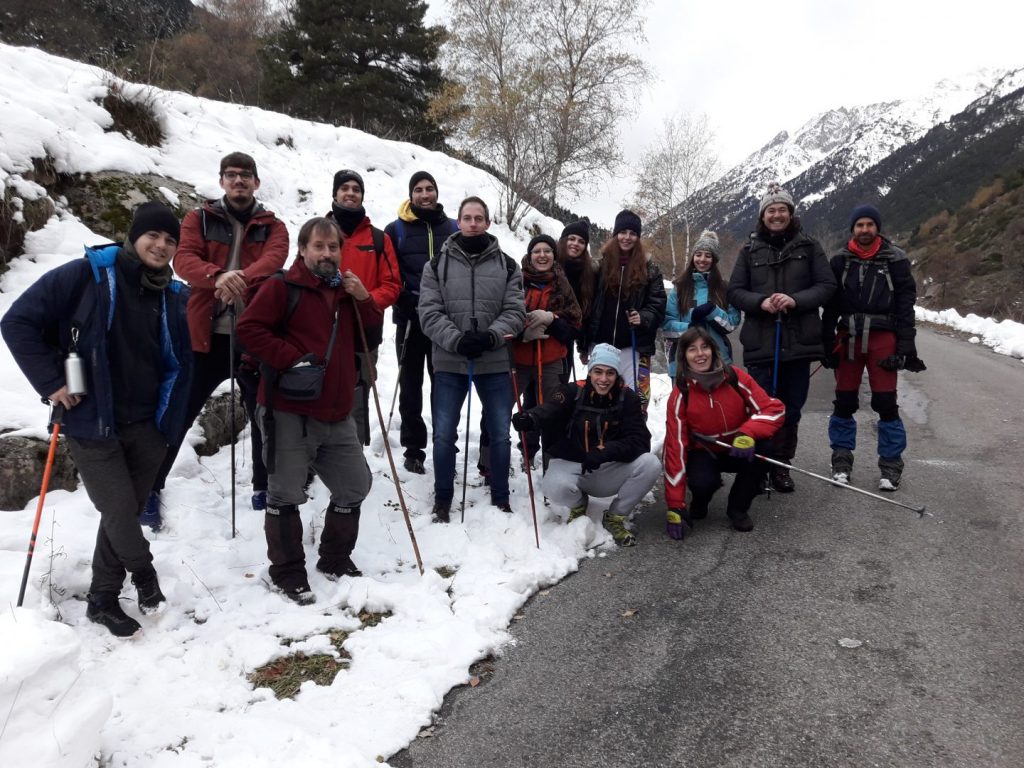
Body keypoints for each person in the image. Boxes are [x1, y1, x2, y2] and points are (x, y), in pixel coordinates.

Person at [2, 202, 193, 636]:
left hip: (149, 423)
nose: (161, 246)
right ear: (134, 235)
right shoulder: (86, 274)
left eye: (170, 240)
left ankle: (103, 599)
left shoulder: (170, 292)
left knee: (119, 515)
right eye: (153, 236)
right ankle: (144, 575)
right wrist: (52, 382)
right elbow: (17, 322)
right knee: (120, 508)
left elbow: (176, 360)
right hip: (93, 419)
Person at [236, 217, 382, 604]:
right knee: (284, 492)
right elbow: (248, 330)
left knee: (354, 485)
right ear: (303, 250)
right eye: (319, 246)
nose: (327, 254)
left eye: (333, 247)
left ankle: (334, 558)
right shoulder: (281, 287)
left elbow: (373, 334)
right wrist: (293, 360)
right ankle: (286, 572)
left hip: (337, 411)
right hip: (289, 409)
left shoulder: (346, 292)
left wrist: (364, 298)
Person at [145, 152, 289, 528]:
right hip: (203, 335)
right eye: (231, 175)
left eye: (246, 175)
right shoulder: (199, 218)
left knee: (262, 414)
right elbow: (184, 260)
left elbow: (275, 259)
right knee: (178, 414)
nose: (238, 181)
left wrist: (236, 277)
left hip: (252, 334)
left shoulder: (273, 226)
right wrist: (216, 276)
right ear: (222, 180)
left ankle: (264, 484)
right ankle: (150, 487)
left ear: (256, 183)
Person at [418, 196, 525, 521]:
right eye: (467, 217)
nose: (473, 223)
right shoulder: (436, 265)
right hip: (450, 360)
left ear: (488, 223)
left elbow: (516, 310)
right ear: (459, 221)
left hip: (494, 361)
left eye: (479, 218)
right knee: (444, 433)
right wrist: (456, 339)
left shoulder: (508, 265)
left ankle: (501, 496)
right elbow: (429, 311)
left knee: (500, 432)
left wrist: (492, 336)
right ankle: (443, 498)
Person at [727, 183, 836, 492]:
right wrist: (759, 303)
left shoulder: (809, 247)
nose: (777, 215)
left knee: (791, 408)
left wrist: (796, 300)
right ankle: (759, 468)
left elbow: (827, 285)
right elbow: (735, 290)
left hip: (799, 343)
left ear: (791, 213)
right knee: (761, 407)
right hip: (762, 343)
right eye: (771, 210)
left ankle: (781, 468)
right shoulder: (749, 251)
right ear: (763, 216)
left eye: (782, 209)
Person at [512, 343, 662, 547]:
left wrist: (605, 453)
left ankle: (615, 517)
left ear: (617, 375)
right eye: (598, 371)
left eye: (610, 373)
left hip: (607, 467)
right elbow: (549, 410)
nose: (603, 379)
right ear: (590, 371)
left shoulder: (628, 398)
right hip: (573, 464)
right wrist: (530, 418)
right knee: (553, 487)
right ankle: (578, 504)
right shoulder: (571, 391)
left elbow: (640, 441)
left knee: (650, 463)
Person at [821, 204, 926, 491]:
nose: (865, 229)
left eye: (869, 224)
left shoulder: (896, 259)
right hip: (848, 337)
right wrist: (826, 340)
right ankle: (841, 460)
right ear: (852, 229)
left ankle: (891, 466)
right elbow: (830, 305)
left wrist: (906, 345)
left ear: (877, 227)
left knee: (885, 403)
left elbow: (906, 304)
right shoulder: (840, 260)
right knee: (844, 401)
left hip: (883, 337)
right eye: (860, 225)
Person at [663, 327, 784, 536]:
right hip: (703, 451)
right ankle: (700, 500)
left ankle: (738, 507)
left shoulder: (735, 377)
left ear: (713, 350)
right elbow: (675, 448)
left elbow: (773, 409)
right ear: (684, 357)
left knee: (765, 448)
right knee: (702, 482)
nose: (700, 354)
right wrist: (675, 505)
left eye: (704, 347)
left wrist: (747, 433)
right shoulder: (681, 393)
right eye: (692, 350)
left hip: (738, 446)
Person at [384, 171, 459, 474]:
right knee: (411, 386)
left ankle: (445, 443)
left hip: (443, 320)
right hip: (411, 318)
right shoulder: (396, 229)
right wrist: (402, 298)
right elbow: (389, 272)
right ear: (411, 194)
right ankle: (414, 449)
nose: (425, 195)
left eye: (430, 188)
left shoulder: (453, 228)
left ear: (437, 192)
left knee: (444, 386)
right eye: (418, 190)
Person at [327, 168, 401, 446]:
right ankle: (315, 455)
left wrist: (365, 298)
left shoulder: (379, 239)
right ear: (335, 193)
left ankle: (353, 454)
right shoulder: (319, 232)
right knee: (318, 386)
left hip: (364, 327)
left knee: (358, 390)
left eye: (356, 189)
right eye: (344, 188)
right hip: (322, 324)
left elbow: (392, 285)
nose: (350, 193)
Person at [584, 209, 666, 416]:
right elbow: (587, 304)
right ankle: (597, 439)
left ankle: (634, 440)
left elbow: (658, 304)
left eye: (632, 233)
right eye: (622, 232)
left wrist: (643, 316)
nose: (627, 237)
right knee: (598, 395)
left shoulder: (651, 269)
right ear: (615, 234)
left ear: (638, 237)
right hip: (601, 344)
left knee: (636, 400)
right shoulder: (600, 266)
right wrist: (584, 343)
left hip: (633, 345)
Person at [512, 234, 582, 468]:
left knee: (553, 410)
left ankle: (553, 465)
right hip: (519, 361)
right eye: (537, 251)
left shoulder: (563, 285)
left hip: (551, 360)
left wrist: (552, 319)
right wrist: (524, 328)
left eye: (547, 251)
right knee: (511, 409)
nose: (542, 255)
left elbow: (574, 326)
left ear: (554, 255)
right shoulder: (517, 281)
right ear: (530, 255)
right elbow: (505, 316)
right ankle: (519, 454)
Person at [662, 230, 741, 377]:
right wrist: (689, 327)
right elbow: (667, 325)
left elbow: (732, 322)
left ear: (714, 259)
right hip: (683, 363)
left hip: (718, 361)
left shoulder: (724, 288)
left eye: (708, 255)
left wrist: (713, 312)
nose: (702, 259)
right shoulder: (679, 288)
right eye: (698, 254)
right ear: (693, 257)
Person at [556, 219, 598, 381]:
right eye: (571, 239)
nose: (575, 244)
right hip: (544, 335)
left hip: (567, 339)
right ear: (563, 240)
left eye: (581, 241)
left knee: (560, 388)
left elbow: (585, 312)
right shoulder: (549, 264)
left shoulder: (587, 274)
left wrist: (583, 346)